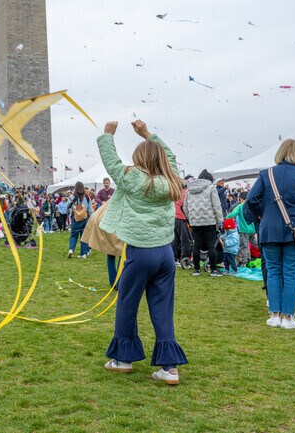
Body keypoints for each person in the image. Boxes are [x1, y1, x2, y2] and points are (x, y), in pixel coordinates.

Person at [98, 119, 187, 385]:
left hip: (139, 254)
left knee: (127, 303)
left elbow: (111, 162)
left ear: (139, 160)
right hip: (165, 255)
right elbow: (170, 157)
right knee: (162, 308)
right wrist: (148, 134)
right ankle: (170, 368)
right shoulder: (171, 181)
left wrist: (107, 135)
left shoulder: (133, 179)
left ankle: (123, 359)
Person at [246, 139, 295, 329]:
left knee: (274, 272)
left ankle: (274, 314)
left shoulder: (266, 174)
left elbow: (251, 200)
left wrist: (264, 213)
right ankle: (288, 317)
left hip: (269, 229)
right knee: (292, 273)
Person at [184, 170, 224, 277]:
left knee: (196, 244)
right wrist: (220, 220)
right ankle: (213, 270)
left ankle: (196, 270)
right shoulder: (211, 188)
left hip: (195, 222)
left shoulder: (189, 189)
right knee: (211, 245)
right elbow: (216, 205)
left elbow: (185, 207)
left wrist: (190, 219)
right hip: (209, 221)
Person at [225, 191, 256, 266]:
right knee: (255, 243)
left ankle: (244, 261)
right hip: (253, 230)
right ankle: (263, 253)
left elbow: (233, 214)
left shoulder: (240, 206)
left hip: (243, 230)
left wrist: (226, 218)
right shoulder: (252, 206)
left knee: (244, 246)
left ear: (241, 199)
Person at [67, 182, 92, 259]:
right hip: (85, 219)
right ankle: (83, 254)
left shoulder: (72, 197)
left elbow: (67, 206)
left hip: (76, 219)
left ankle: (71, 249)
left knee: (74, 236)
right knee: (83, 237)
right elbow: (90, 210)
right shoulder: (87, 198)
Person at [172, 177, 193, 266]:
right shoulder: (187, 193)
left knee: (175, 240)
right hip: (182, 218)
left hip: (174, 217)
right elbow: (187, 207)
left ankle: (174, 258)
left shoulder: (179, 191)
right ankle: (185, 260)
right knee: (186, 240)